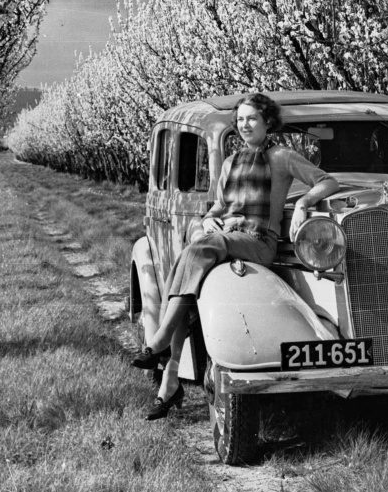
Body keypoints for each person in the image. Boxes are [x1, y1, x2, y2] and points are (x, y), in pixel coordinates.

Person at [131, 92, 340, 420]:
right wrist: (208, 219)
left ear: (267, 122)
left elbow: (327, 181)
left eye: (252, 119)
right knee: (194, 279)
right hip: (227, 237)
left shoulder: (282, 157)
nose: (245, 125)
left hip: (259, 242)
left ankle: (158, 344)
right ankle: (169, 384)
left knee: (199, 249)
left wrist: (302, 204)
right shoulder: (230, 163)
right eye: (240, 119)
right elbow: (218, 205)